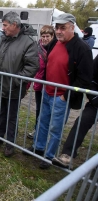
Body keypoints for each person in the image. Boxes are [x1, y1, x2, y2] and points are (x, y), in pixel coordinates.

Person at [26, 13, 93, 169]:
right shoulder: (55, 43)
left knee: (55, 128)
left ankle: (49, 156)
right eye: (57, 27)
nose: (58, 31)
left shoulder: (82, 49)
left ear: (72, 27)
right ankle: (38, 147)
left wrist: (65, 96)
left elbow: (84, 79)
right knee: (42, 122)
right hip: (47, 92)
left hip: (61, 97)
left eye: (63, 28)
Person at [0, 11, 39, 157]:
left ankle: (10, 144)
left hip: (13, 88)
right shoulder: (4, 39)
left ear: (15, 25)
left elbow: (32, 67)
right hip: (0, 84)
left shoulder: (28, 42)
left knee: (11, 117)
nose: (3, 28)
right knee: (1, 113)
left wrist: (15, 80)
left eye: (5, 25)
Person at [52, 55, 98, 169]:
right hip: (96, 103)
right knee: (81, 122)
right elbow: (90, 77)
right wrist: (94, 98)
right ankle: (67, 154)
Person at [27, 25, 55, 139]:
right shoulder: (37, 48)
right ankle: (37, 129)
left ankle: (48, 132)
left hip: (51, 85)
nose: (45, 39)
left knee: (50, 111)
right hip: (39, 84)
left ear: (52, 36)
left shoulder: (55, 48)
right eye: (43, 36)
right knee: (39, 109)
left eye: (47, 36)